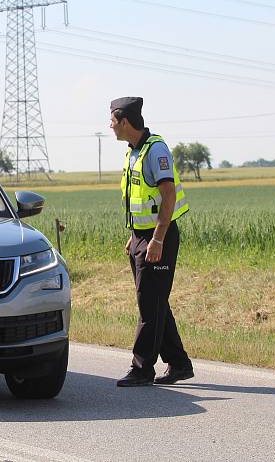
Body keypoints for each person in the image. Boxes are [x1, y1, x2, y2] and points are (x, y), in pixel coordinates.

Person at [109, 96, 194, 387]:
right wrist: (133, 238)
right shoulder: (134, 151)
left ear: (125, 121)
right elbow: (138, 199)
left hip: (160, 236)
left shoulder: (155, 150)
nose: (110, 127)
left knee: (150, 304)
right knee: (155, 302)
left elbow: (168, 196)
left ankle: (143, 368)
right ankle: (179, 363)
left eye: (112, 120)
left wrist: (157, 240)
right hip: (140, 237)